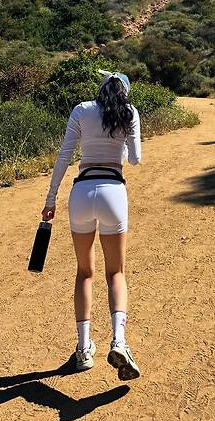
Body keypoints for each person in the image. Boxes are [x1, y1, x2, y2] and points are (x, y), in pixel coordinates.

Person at [41, 70, 142, 379]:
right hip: (113, 192)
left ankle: (84, 349)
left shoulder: (81, 110)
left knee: (85, 272)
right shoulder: (129, 113)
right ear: (124, 92)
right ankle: (119, 342)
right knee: (116, 272)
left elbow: (64, 155)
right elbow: (135, 159)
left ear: (101, 89)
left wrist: (51, 198)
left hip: (82, 192)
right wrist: (119, 145)